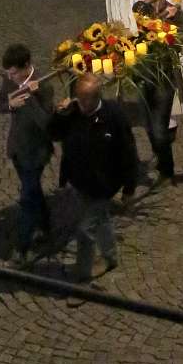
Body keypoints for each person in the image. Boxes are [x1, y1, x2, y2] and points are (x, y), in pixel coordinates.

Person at [47, 73, 138, 286]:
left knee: (85, 231)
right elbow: (53, 134)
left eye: (85, 100)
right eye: (78, 98)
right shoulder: (73, 112)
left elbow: (128, 153)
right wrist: (59, 115)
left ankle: (82, 279)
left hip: (104, 184)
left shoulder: (114, 116)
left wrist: (129, 189)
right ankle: (110, 256)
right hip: (80, 181)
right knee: (101, 220)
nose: (81, 104)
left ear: (96, 98)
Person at [0, 44, 54, 264]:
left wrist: (32, 98)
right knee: (34, 191)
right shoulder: (10, 81)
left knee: (27, 198)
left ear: (26, 66)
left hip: (37, 151)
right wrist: (10, 104)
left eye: (13, 73)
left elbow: (47, 123)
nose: (10, 78)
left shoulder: (44, 86)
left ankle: (21, 247)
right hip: (18, 147)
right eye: (8, 74)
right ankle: (46, 226)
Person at [131, 0, 183, 181]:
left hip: (163, 78)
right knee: (149, 127)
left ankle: (167, 169)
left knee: (160, 129)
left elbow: (178, 41)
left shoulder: (173, 12)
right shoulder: (139, 9)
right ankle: (162, 160)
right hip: (143, 76)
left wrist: (165, 24)